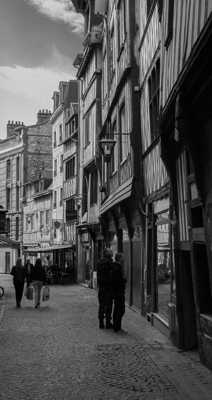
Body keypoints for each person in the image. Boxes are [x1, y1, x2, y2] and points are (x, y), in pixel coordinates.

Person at [97, 248, 114, 329]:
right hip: (108, 287)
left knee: (101, 305)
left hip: (101, 287)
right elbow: (112, 275)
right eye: (111, 252)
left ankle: (101, 323)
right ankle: (107, 323)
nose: (112, 252)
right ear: (108, 254)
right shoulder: (110, 263)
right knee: (109, 306)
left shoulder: (99, 262)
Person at [112, 253, 126, 332]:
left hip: (115, 291)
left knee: (117, 308)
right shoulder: (118, 267)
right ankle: (117, 327)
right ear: (119, 258)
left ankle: (116, 326)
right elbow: (118, 280)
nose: (123, 259)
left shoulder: (114, 266)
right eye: (122, 258)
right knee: (120, 309)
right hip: (119, 291)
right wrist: (124, 280)